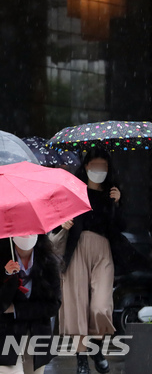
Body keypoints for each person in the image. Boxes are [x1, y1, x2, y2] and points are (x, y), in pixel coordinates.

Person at [51, 148, 146, 374]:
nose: (99, 171)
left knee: (101, 307)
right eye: (95, 166)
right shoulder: (75, 192)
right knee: (77, 307)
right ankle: (82, 360)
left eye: (103, 166)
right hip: (76, 251)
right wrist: (63, 224)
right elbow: (57, 220)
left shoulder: (112, 193)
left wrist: (117, 204)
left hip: (103, 252)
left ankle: (96, 347)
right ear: (86, 167)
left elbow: (121, 227)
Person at [0, 235, 61, 374]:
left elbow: (53, 305)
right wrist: (9, 278)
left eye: (31, 231)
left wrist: (18, 310)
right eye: (22, 232)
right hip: (4, 335)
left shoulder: (48, 262)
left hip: (36, 335)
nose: (26, 235)